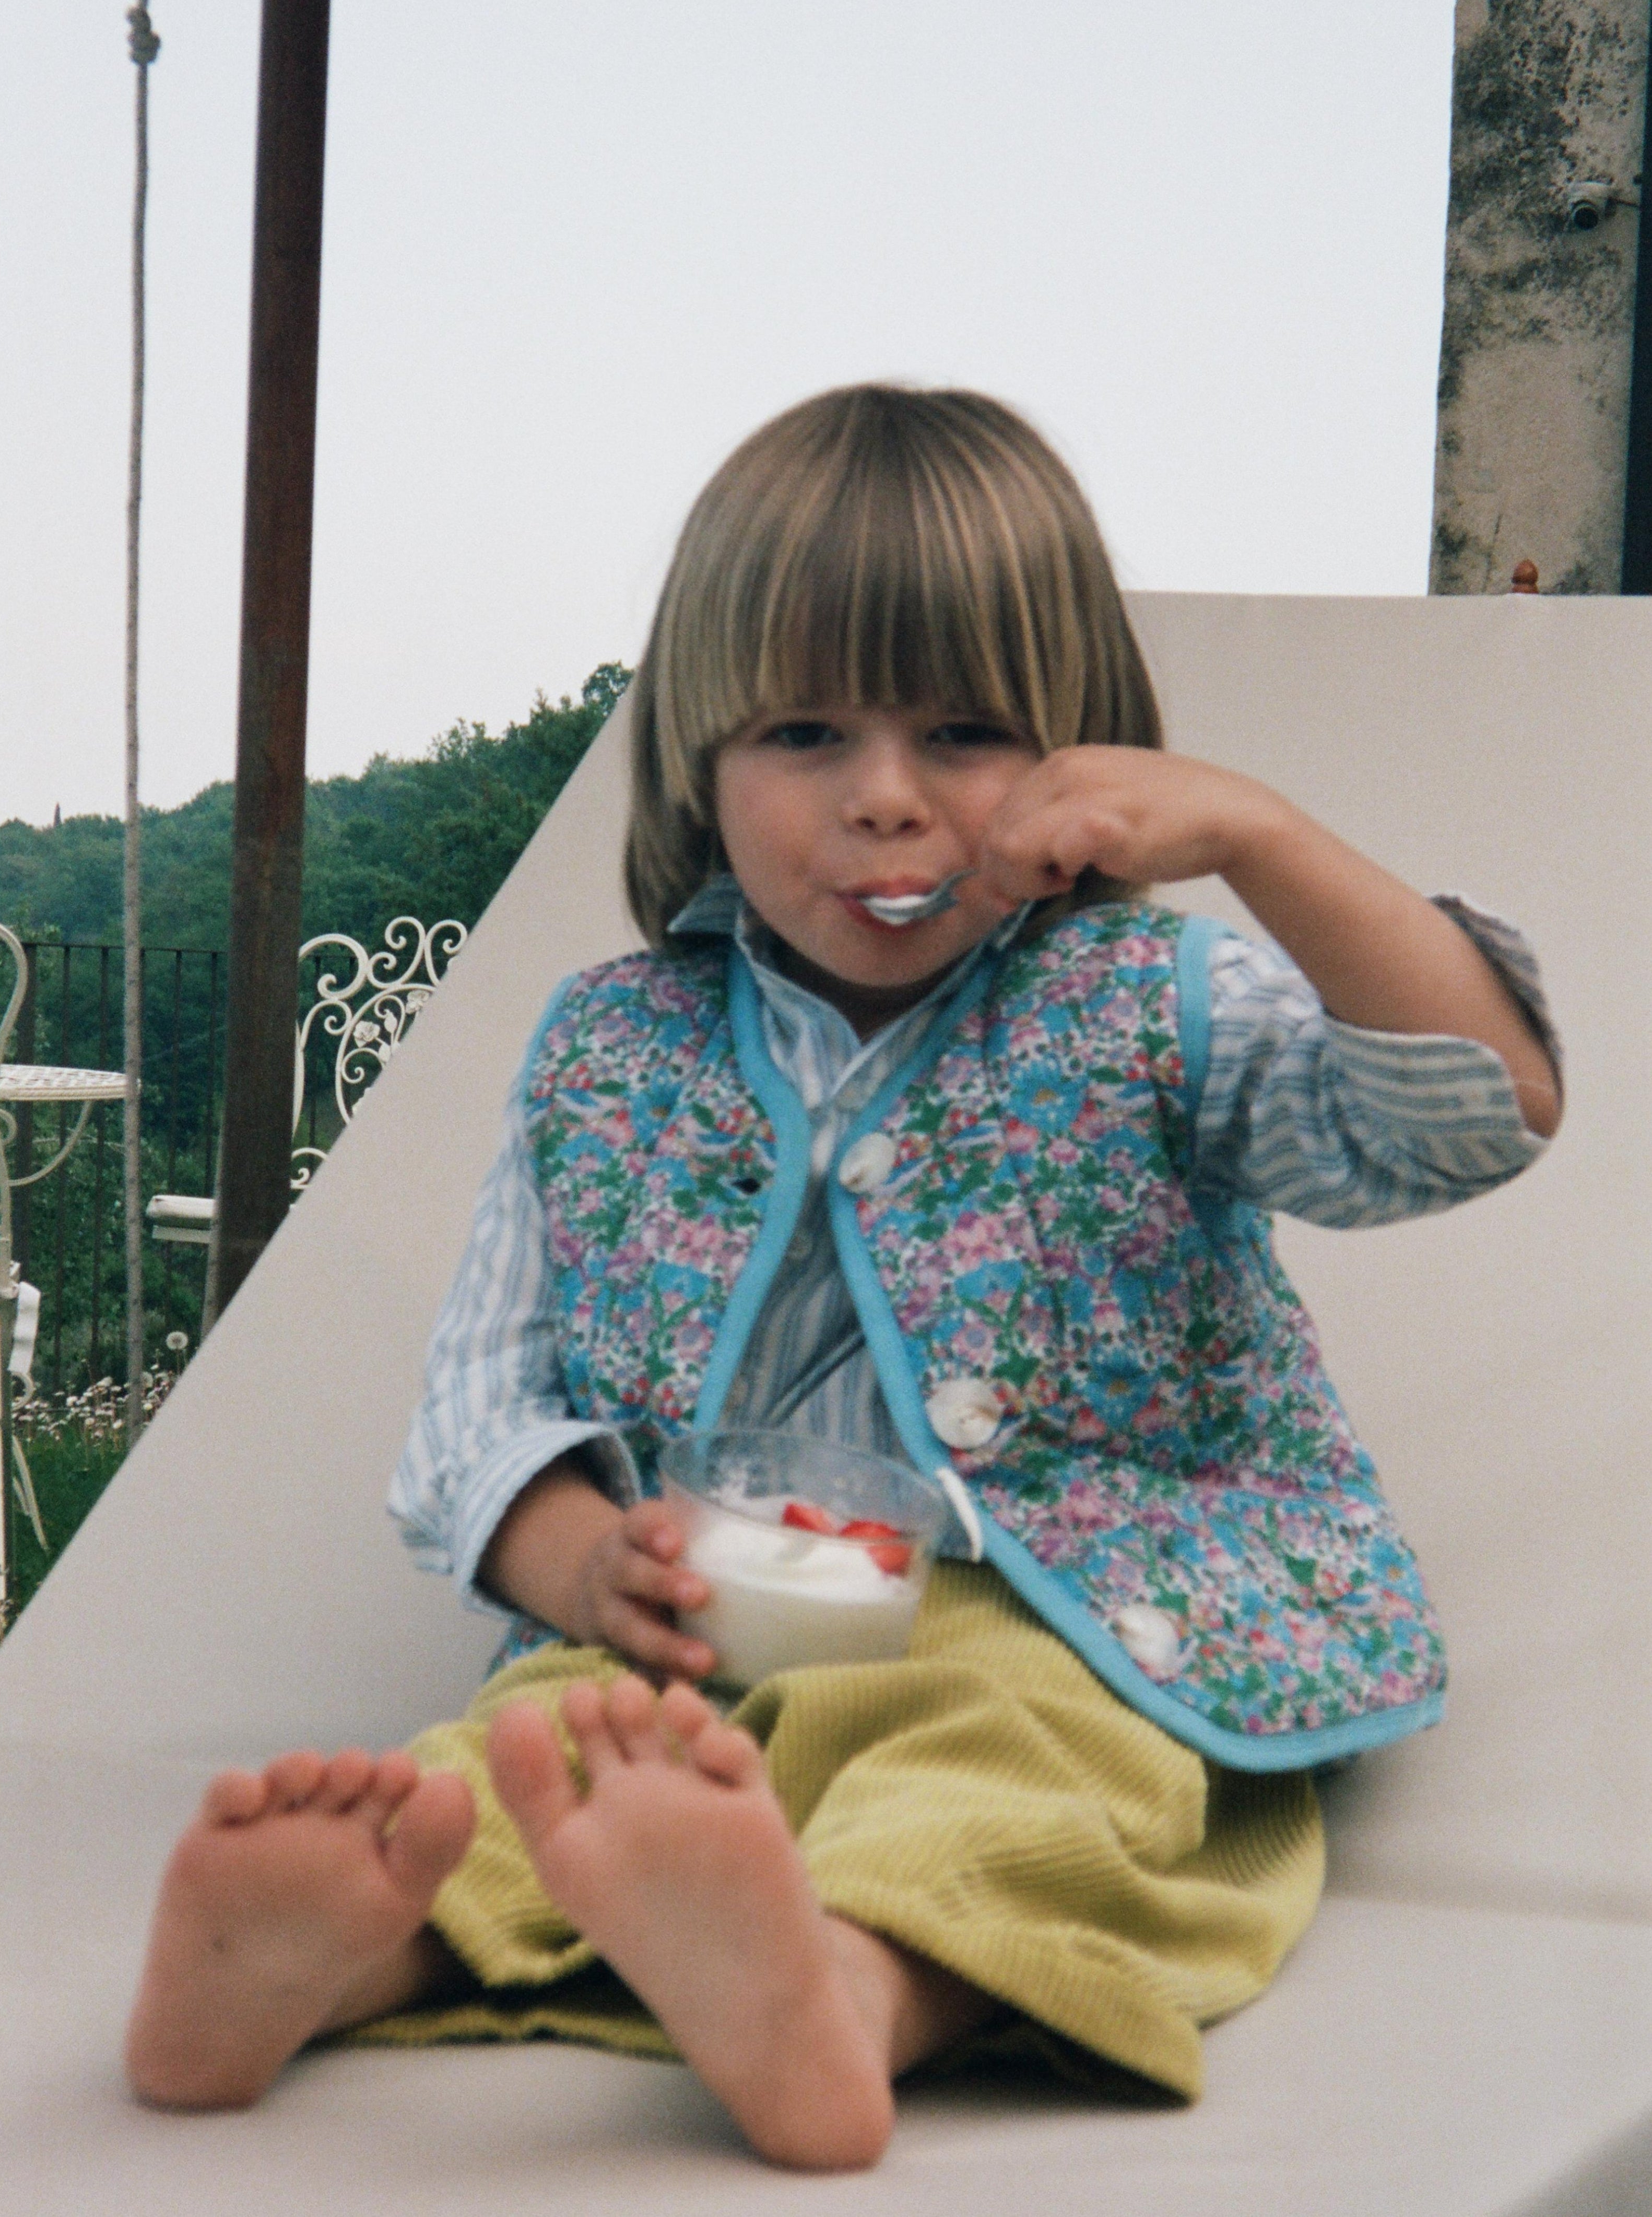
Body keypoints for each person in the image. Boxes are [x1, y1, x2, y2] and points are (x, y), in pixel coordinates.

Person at [124, 386, 1561, 2171]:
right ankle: (327, 1946)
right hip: (716, 1601)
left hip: (1063, 1616)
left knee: (1009, 1791)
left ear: (1081, 765)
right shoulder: (607, 1048)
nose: (885, 799)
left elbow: (1475, 1116)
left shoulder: (1151, 1001)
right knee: (541, 1761)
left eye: (964, 731)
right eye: (803, 732)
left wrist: (1262, 841)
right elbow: (478, 1401)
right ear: (696, 768)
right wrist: (580, 1559)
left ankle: (831, 1996)